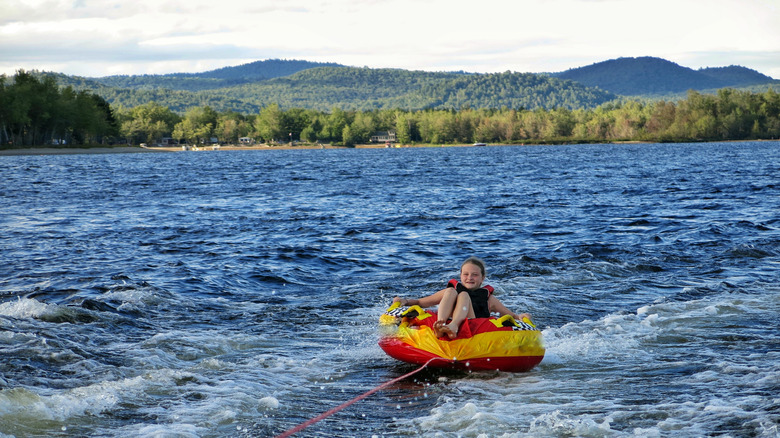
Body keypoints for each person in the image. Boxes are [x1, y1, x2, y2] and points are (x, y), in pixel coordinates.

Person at [392, 257, 531, 339]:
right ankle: (440, 326)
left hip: (472, 329)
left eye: (475, 275)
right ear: (461, 276)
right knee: (451, 291)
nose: (469, 278)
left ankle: (454, 326)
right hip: (446, 324)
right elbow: (420, 302)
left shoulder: (489, 299)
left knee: (463, 295)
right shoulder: (452, 290)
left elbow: (511, 316)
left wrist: (522, 316)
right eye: (466, 274)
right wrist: (404, 301)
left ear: (482, 278)